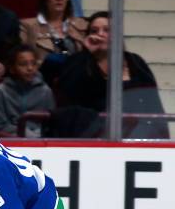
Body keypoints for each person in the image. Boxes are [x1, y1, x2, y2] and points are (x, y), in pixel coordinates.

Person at [58, 11, 168, 139]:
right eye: (94, 31)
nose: (100, 34)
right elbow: (68, 91)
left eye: (106, 30)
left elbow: (152, 100)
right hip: (93, 133)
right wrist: (87, 52)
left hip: (137, 133)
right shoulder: (79, 61)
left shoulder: (135, 61)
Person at [20, 0, 86, 85]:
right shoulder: (27, 26)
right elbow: (21, 61)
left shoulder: (82, 25)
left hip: (76, 86)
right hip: (41, 85)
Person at [0, 44, 55, 137]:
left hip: (41, 137)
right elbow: (0, 125)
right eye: (23, 64)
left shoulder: (45, 91)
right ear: (12, 68)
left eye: (33, 64)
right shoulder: (0, 91)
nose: (30, 68)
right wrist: (25, 133)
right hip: (13, 137)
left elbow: (51, 122)